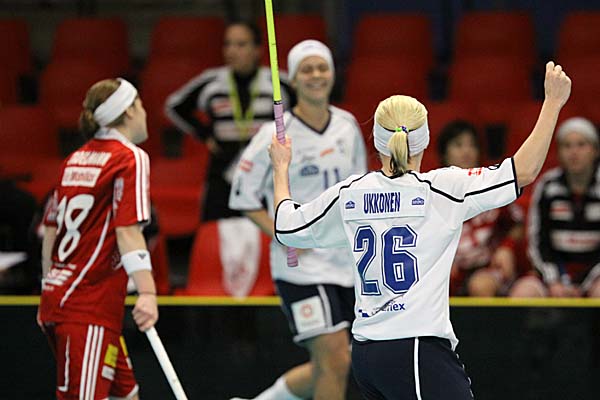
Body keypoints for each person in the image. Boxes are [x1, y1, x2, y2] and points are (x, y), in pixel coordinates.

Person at [269, 62, 571, 399]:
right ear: (424, 140)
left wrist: (281, 168)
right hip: (414, 348)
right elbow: (523, 171)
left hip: (367, 354)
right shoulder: (443, 188)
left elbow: (286, 228)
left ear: (378, 142)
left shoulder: (350, 193)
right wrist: (552, 102)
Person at [229, 40, 367, 400]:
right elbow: (241, 197)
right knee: (334, 359)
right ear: (292, 79)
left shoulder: (347, 125)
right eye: (307, 69)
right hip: (300, 269)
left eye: (322, 67)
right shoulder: (275, 135)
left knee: (338, 362)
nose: (316, 75)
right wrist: (284, 235)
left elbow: (359, 190)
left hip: (346, 264)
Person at [37, 78, 159, 399]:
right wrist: (147, 291)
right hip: (87, 308)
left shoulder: (74, 159)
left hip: (62, 300)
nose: (146, 112)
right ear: (129, 110)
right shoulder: (130, 157)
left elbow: (50, 229)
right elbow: (127, 230)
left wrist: (48, 285)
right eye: (141, 105)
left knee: (126, 395)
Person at [165, 20, 293, 221]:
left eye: (241, 44)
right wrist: (204, 134)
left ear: (257, 49)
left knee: (270, 231)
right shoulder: (212, 82)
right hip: (222, 171)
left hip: (266, 171)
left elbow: (302, 114)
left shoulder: (278, 82)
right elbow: (174, 107)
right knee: (214, 232)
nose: (232, 51)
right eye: (227, 44)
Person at [510, 116, 600, 298]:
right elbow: (537, 240)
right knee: (523, 293)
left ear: (595, 150)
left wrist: (585, 283)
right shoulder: (547, 186)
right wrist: (554, 281)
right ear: (558, 152)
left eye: (581, 145)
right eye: (567, 146)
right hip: (551, 275)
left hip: (595, 276)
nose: (574, 152)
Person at [437, 120, 525, 296]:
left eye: (472, 145)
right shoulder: (433, 191)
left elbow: (517, 224)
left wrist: (506, 247)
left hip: (487, 267)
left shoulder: (491, 185)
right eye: (458, 145)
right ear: (444, 153)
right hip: (447, 267)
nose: (466, 151)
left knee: (481, 285)